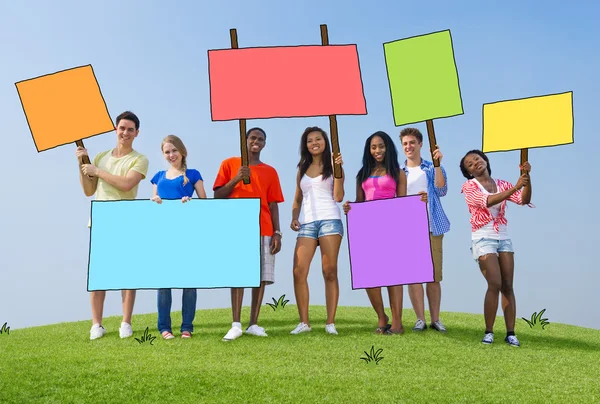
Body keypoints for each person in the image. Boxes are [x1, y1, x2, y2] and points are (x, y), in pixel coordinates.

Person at [76, 111, 149, 340]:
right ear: (115, 129)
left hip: (126, 219)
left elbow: (127, 184)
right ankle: (96, 325)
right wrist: (82, 162)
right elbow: (89, 191)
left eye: (130, 129)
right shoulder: (99, 156)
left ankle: (125, 323)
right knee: (99, 275)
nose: (125, 132)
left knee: (127, 274)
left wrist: (97, 171)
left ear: (136, 133)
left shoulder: (139, 159)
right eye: (122, 128)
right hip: (101, 219)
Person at [213, 127, 284, 341]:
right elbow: (218, 196)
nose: (257, 141)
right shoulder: (229, 164)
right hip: (237, 226)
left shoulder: (270, 171)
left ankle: (254, 322)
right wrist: (236, 179)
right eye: (253, 137)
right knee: (239, 274)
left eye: (261, 139)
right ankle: (236, 324)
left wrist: (278, 232)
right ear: (245, 140)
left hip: (264, 227)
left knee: (260, 277)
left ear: (264, 144)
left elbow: (273, 204)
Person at [459, 149, 533, 347]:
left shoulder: (502, 184)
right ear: (469, 173)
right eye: (470, 164)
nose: (475, 163)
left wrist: (526, 178)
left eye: (477, 159)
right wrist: (516, 186)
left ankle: (510, 333)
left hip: (503, 238)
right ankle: (488, 331)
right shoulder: (469, 187)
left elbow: (523, 199)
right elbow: (488, 201)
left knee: (508, 285)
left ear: (485, 160)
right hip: (483, 238)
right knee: (495, 282)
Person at [343, 131, 407, 335]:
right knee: (369, 277)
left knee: (393, 276)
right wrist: (350, 207)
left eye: (381, 146)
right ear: (368, 150)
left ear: (387, 147)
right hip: (367, 226)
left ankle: (397, 322)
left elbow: (402, 201)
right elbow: (359, 202)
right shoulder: (363, 173)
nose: (377, 150)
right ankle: (382, 316)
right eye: (373, 147)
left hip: (391, 224)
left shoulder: (398, 172)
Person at [150, 135, 207, 340]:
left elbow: (205, 203)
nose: (171, 155)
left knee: (189, 282)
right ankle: (164, 327)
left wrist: (190, 202)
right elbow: (153, 206)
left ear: (182, 151)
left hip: (188, 234)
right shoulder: (158, 176)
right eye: (167, 152)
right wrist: (155, 200)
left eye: (174, 150)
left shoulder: (193, 174)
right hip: (164, 235)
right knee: (164, 282)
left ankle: (187, 328)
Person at [290, 127, 345, 335]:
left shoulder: (333, 165)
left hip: (330, 219)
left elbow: (339, 196)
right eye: (310, 140)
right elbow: (297, 198)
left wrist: (339, 171)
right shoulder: (302, 168)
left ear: (325, 141)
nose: (314, 143)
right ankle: (304, 322)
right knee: (298, 271)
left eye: (318, 139)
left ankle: (330, 322)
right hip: (307, 223)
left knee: (329, 270)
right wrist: (294, 217)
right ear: (305, 145)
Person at [399, 127, 450, 333]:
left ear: (420, 145)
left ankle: (435, 319)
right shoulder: (398, 171)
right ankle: (420, 319)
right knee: (413, 276)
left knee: (434, 275)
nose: (409, 147)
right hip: (407, 227)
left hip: (431, 224)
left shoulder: (430, 167)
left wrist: (438, 165)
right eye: (405, 144)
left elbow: (441, 190)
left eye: (412, 143)